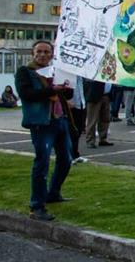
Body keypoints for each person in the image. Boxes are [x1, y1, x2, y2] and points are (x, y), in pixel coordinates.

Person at [15, 41, 75, 221]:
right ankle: (37, 205)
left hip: (59, 120)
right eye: (39, 51)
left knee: (66, 159)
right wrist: (51, 89)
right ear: (32, 53)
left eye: (46, 52)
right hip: (42, 122)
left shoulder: (55, 71)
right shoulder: (26, 72)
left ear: (51, 54)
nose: (42, 55)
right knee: (42, 163)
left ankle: (53, 192)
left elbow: (68, 95)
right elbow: (26, 94)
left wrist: (66, 86)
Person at [83, 79, 113, 148]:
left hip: (106, 94)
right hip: (95, 94)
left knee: (105, 118)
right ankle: (90, 140)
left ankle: (103, 138)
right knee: (92, 119)